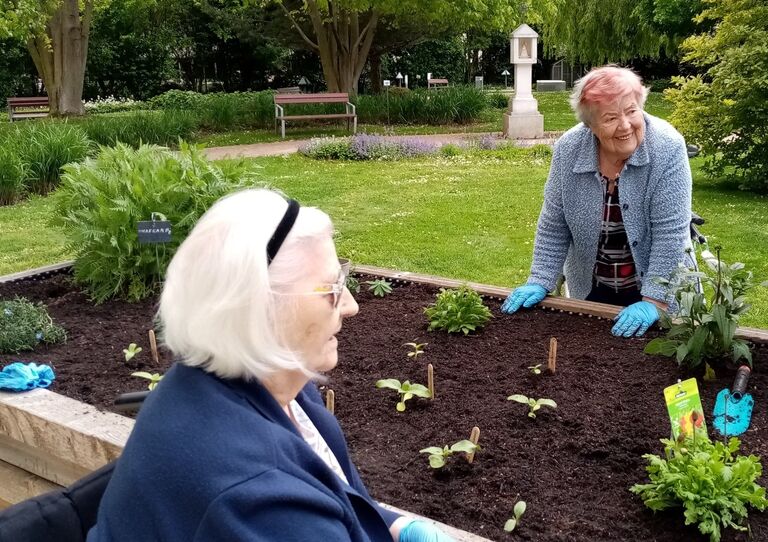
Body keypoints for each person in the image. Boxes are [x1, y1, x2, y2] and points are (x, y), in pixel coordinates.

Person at [87, 188, 452, 542]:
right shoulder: (263, 501)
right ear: (259, 310)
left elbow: (341, 500)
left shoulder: (263, 388)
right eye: (331, 288)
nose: (350, 305)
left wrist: (393, 525)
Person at [501, 65, 694, 338]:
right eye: (611, 117)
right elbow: (554, 223)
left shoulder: (667, 147)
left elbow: (671, 234)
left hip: (658, 291)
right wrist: (541, 279)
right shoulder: (569, 149)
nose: (625, 125)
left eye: (631, 111)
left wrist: (655, 301)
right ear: (589, 125)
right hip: (593, 289)